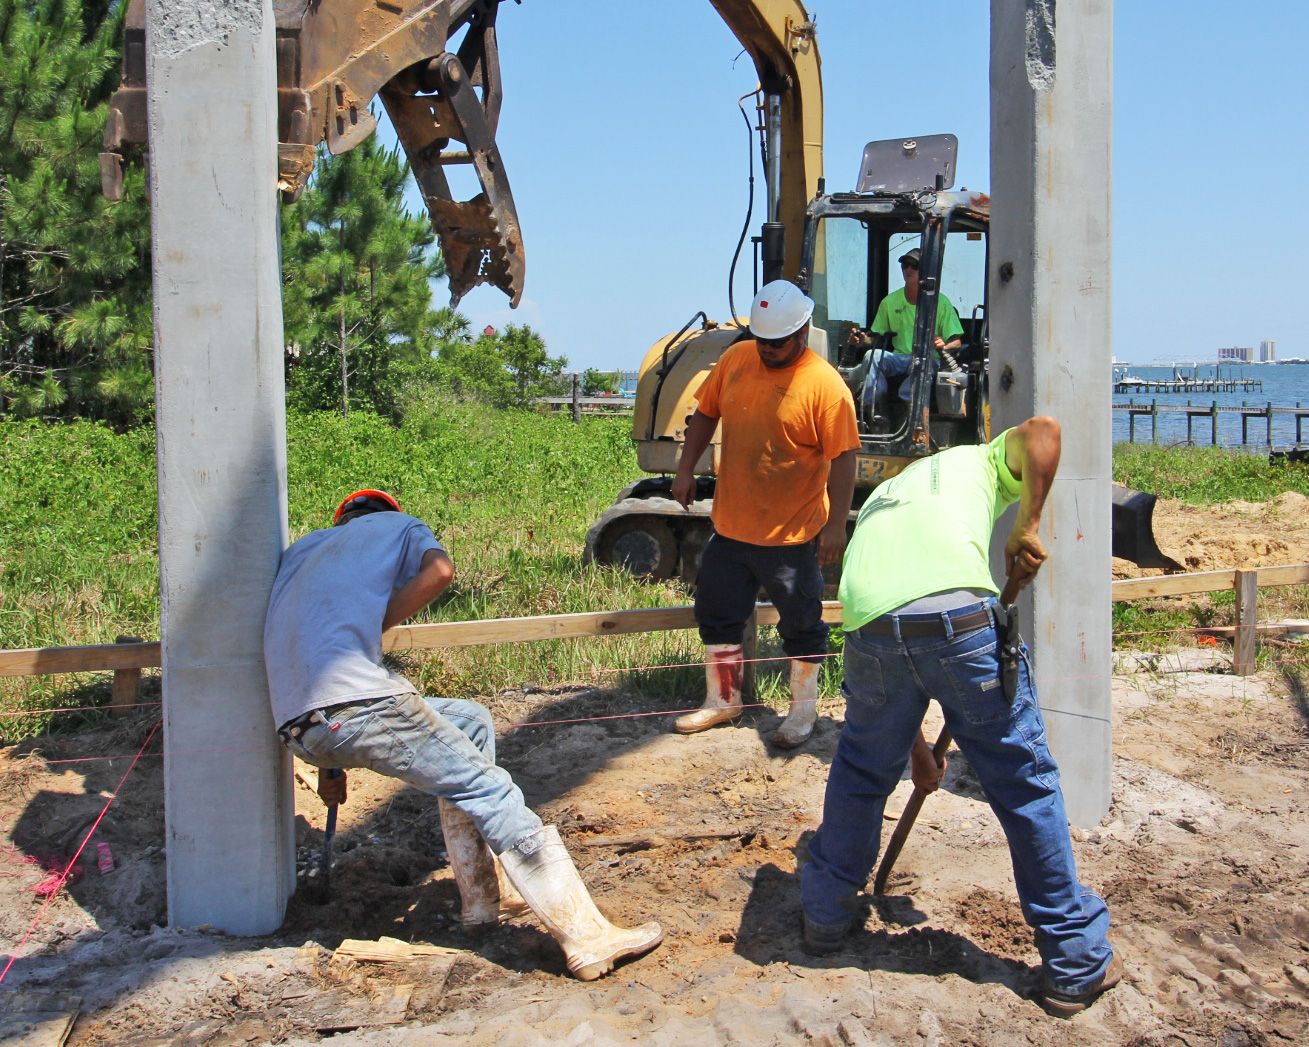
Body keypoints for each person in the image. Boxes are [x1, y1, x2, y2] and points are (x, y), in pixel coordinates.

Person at [264, 489, 663, 981]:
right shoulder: (401, 527)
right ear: (387, 513)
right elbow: (440, 573)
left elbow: (309, 652)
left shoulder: (304, 550)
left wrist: (329, 764)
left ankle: (480, 901)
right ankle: (587, 938)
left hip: (305, 724)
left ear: (341, 519)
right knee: (490, 788)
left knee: (469, 719)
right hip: (360, 704)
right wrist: (381, 619)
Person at [799, 417, 1121, 1018]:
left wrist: (913, 751)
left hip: (868, 626)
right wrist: (1026, 523)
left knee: (862, 772)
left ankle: (824, 916)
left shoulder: (886, 499)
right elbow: (1049, 431)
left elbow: (899, 660)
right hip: (959, 625)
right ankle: (1075, 961)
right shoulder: (982, 460)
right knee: (1024, 785)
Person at [670, 279, 861, 749]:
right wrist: (685, 469)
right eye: (762, 341)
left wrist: (836, 523)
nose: (769, 350)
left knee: (802, 623)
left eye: (778, 343)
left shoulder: (825, 387)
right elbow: (705, 414)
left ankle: (802, 711)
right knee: (716, 611)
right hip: (732, 526)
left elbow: (844, 458)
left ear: (802, 331)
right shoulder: (736, 360)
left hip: (792, 535)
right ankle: (723, 699)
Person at [848, 247, 964, 419]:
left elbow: (957, 342)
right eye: (904, 265)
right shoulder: (889, 302)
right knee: (872, 356)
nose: (908, 269)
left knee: (922, 363)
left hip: (927, 359)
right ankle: (873, 410)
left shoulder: (941, 303)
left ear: (924, 272)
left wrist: (944, 345)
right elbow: (874, 339)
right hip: (898, 358)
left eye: (914, 265)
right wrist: (862, 340)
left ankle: (908, 415)